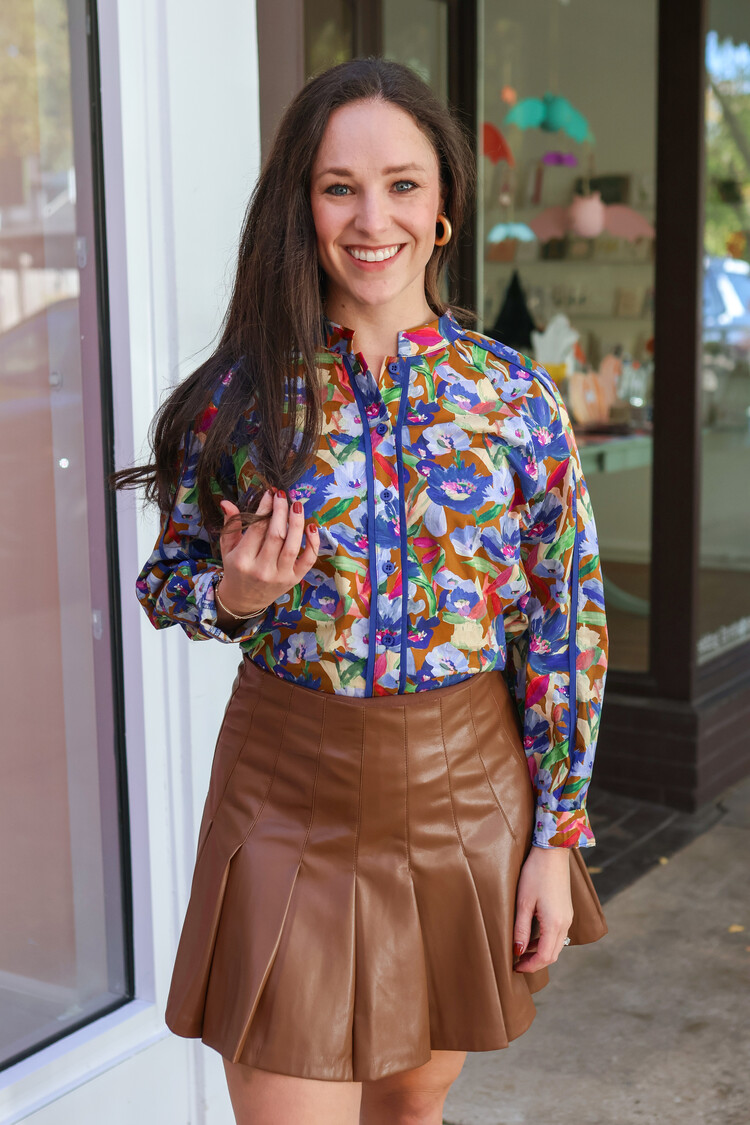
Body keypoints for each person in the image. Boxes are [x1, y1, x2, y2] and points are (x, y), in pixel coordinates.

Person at [112, 57, 608, 1125]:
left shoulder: (514, 399)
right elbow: (168, 579)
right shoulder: (243, 397)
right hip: (290, 791)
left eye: (402, 184)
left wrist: (557, 835)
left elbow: (564, 623)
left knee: (413, 1107)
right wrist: (237, 594)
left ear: (442, 207)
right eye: (340, 186)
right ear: (302, 204)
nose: (372, 218)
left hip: (467, 790)